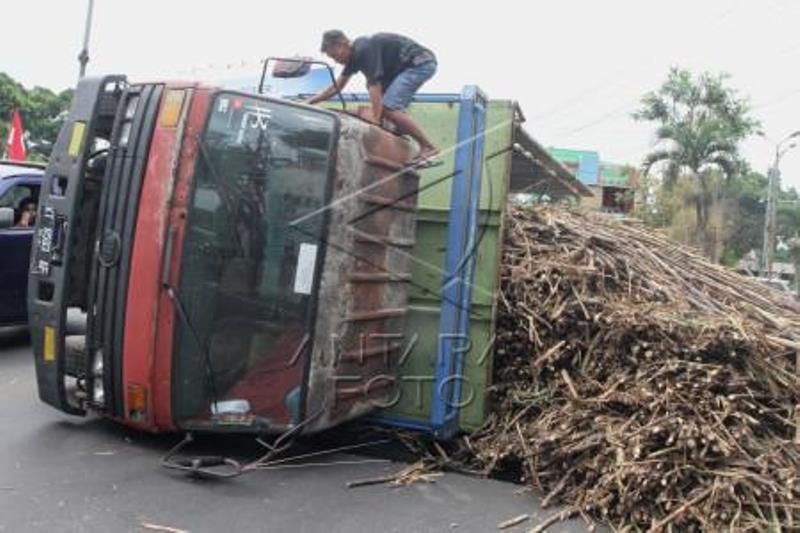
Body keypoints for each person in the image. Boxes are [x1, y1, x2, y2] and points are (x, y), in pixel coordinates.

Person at [307, 30, 440, 165]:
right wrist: (309, 102)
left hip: (419, 64)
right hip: (402, 68)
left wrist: (375, 122)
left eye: (335, 55)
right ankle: (397, 128)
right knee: (386, 106)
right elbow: (336, 87)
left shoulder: (364, 49)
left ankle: (428, 147)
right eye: (332, 58)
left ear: (343, 44)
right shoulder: (354, 56)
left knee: (389, 107)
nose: (336, 60)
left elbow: (375, 86)